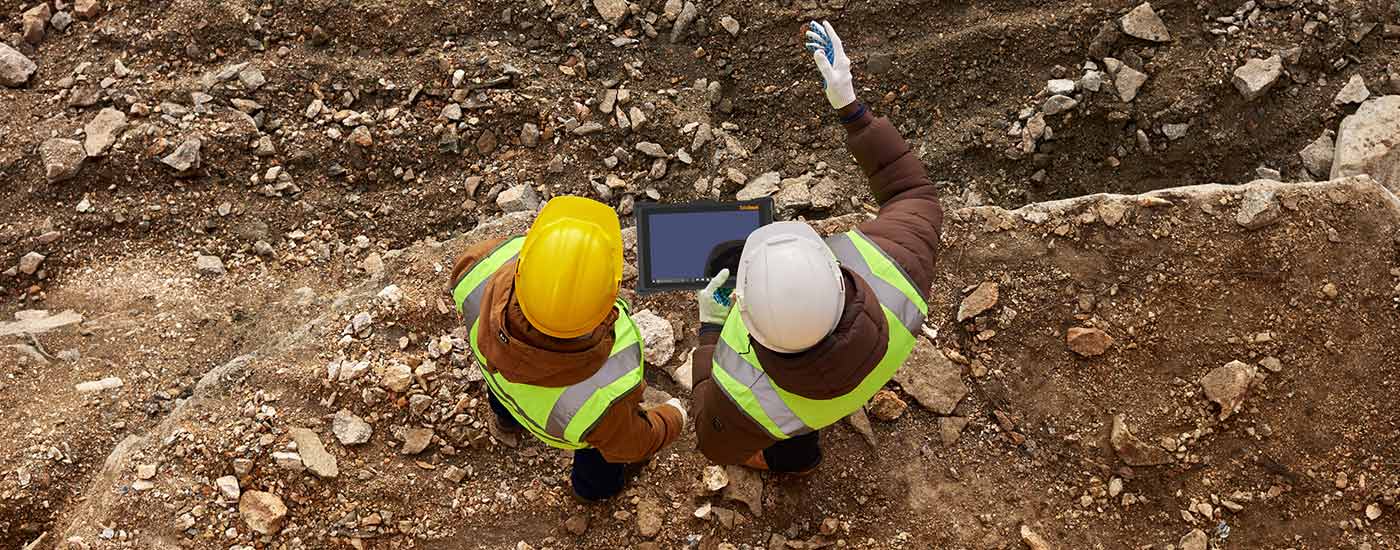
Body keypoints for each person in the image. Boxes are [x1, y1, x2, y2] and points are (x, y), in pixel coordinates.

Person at [689, 21, 944, 474]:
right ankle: (800, 460)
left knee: (787, 429)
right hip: (861, 368)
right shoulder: (898, 272)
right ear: (836, 272)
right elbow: (912, 193)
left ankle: (793, 463)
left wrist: (710, 330)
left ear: (742, 318)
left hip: (790, 411)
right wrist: (850, 106)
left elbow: (712, 444)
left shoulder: (743, 390)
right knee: (799, 421)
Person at [449, 196, 687, 501]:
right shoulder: (604, 396)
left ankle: (505, 419)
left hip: (499, 370)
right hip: (580, 425)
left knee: (501, 372)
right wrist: (672, 417)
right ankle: (592, 491)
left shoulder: (481, 263)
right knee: (599, 449)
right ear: (608, 297)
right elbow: (631, 443)